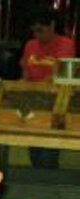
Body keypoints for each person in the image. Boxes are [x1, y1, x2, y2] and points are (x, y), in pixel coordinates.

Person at [20, 7, 75, 169]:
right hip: (32, 101)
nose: (37, 35)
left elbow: (61, 75)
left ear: (51, 25)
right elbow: (24, 71)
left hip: (55, 101)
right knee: (34, 149)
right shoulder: (30, 45)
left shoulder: (66, 44)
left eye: (40, 30)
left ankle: (48, 182)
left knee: (48, 152)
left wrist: (40, 85)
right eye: (34, 31)